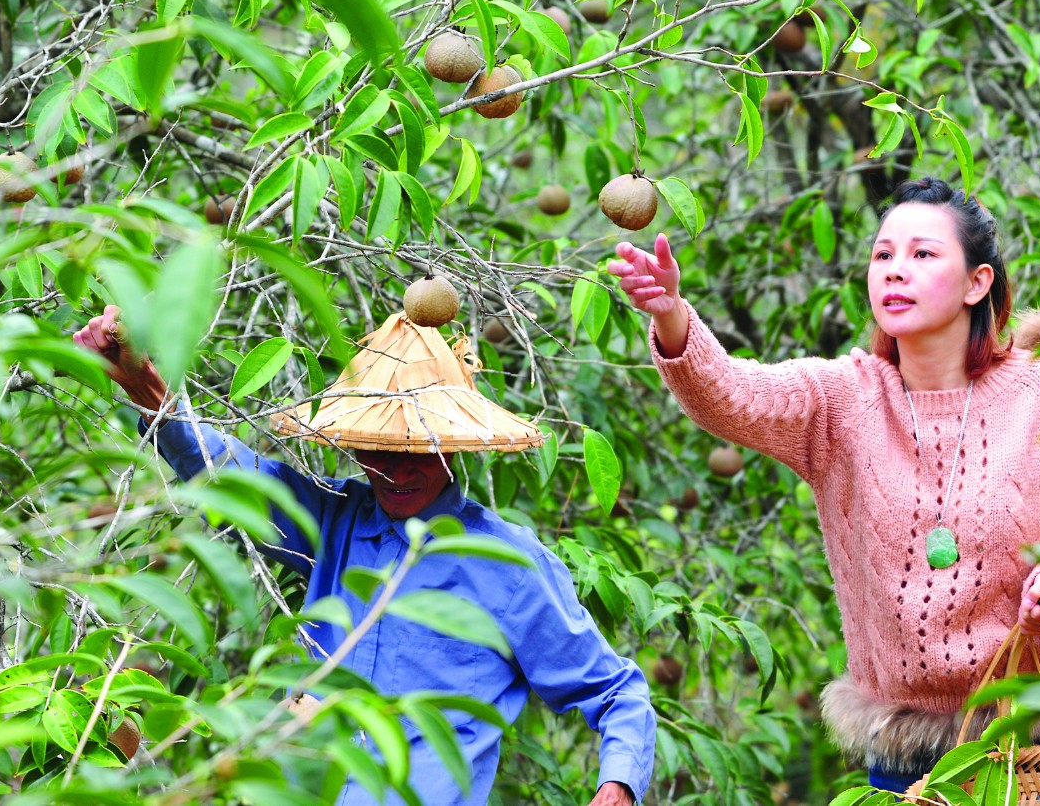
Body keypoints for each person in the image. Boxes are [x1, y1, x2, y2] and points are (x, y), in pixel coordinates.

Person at [607, 177, 1040, 792]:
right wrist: (672, 314)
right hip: (903, 756)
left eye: (922, 254)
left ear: (978, 283)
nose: (894, 270)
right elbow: (730, 394)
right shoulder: (843, 398)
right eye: (882, 255)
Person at [73, 306, 654, 806]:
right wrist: (148, 391)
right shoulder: (334, 520)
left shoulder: (509, 566)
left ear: (452, 448)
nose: (395, 472)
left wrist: (618, 787)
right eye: (376, 451)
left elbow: (613, 691)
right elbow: (236, 477)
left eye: (416, 452)